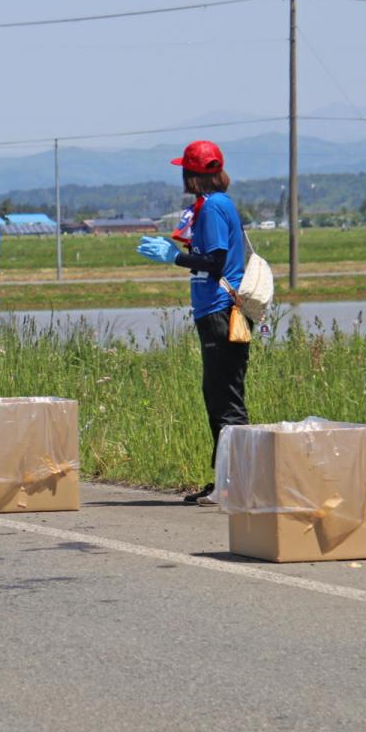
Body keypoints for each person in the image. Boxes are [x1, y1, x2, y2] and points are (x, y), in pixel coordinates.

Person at [136, 140, 249, 506]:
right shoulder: (213, 205)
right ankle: (225, 480)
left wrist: (176, 258)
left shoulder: (214, 207)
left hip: (220, 312)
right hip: (213, 312)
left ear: (192, 175)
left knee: (225, 401)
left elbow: (214, 260)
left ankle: (235, 484)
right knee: (217, 398)